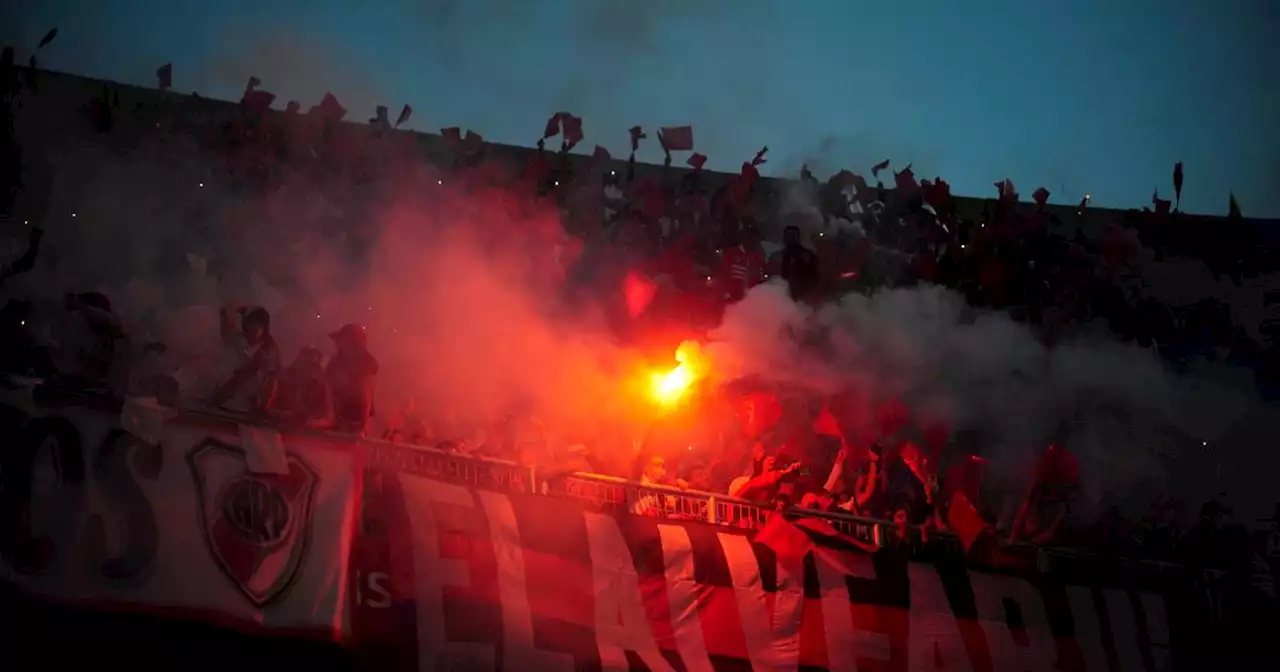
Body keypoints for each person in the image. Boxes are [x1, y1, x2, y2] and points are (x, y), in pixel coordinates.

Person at [210, 304, 280, 413]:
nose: (253, 327)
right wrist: (226, 312)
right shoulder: (238, 339)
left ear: (264, 327)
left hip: (248, 410)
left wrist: (262, 408)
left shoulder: (270, 349)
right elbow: (226, 331)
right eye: (250, 322)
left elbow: (271, 382)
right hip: (221, 404)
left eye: (257, 324)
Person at [317, 323, 379, 434]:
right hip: (338, 418)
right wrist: (330, 416)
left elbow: (366, 394)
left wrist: (363, 426)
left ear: (353, 341)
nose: (336, 344)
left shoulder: (365, 363)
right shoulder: (335, 362)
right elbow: (328, 387)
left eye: (341, 340)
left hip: (355, 422)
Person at [773, 224, 820, 300]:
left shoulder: (806, 255)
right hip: (782, 292)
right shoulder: (778, 256)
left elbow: (815, 276)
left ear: (797, 237)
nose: (790, 238)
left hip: (803, 294)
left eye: (792, 236)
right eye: (788, 236)